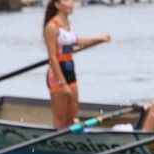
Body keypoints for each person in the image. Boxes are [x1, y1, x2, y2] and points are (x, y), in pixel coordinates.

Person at [42, 0, 109, 131]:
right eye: (66, 1)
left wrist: (99, 39)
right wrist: (63, 84)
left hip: (70, 72)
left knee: (72, 117)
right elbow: (52, 58)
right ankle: (57, 140)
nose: (71, 3)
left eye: (71, 0)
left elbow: (77, 42)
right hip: (57, 76)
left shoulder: (68, 24)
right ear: (57, 5)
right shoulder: (52, 27)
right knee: (61, 119)